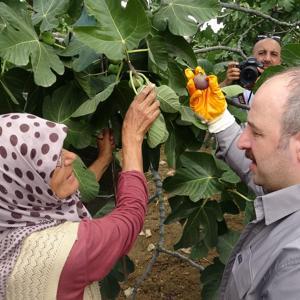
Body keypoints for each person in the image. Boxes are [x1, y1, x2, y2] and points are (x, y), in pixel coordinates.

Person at [0, 83, 160, 300]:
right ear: (28, 182)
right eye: (53, 161)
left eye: (59, 148)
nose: (71, 157)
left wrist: (104, 159)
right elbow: (130, 217)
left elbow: (64, 198)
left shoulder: (14, 212)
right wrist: (132, 137)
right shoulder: (64, 253)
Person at [186, 66, 300, 299]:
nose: (242, 141)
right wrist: (218, 119)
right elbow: (265, 167)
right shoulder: (286, 180)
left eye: (256, 133)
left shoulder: (294, 271)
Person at [219, 35, 282, 106]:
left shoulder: (289, 86)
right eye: (261, 53)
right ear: (252, 58)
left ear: (280, 61)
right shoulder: (239, 86)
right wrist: (226, 83)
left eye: (274, 54)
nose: (267, 59)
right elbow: (210, 106)